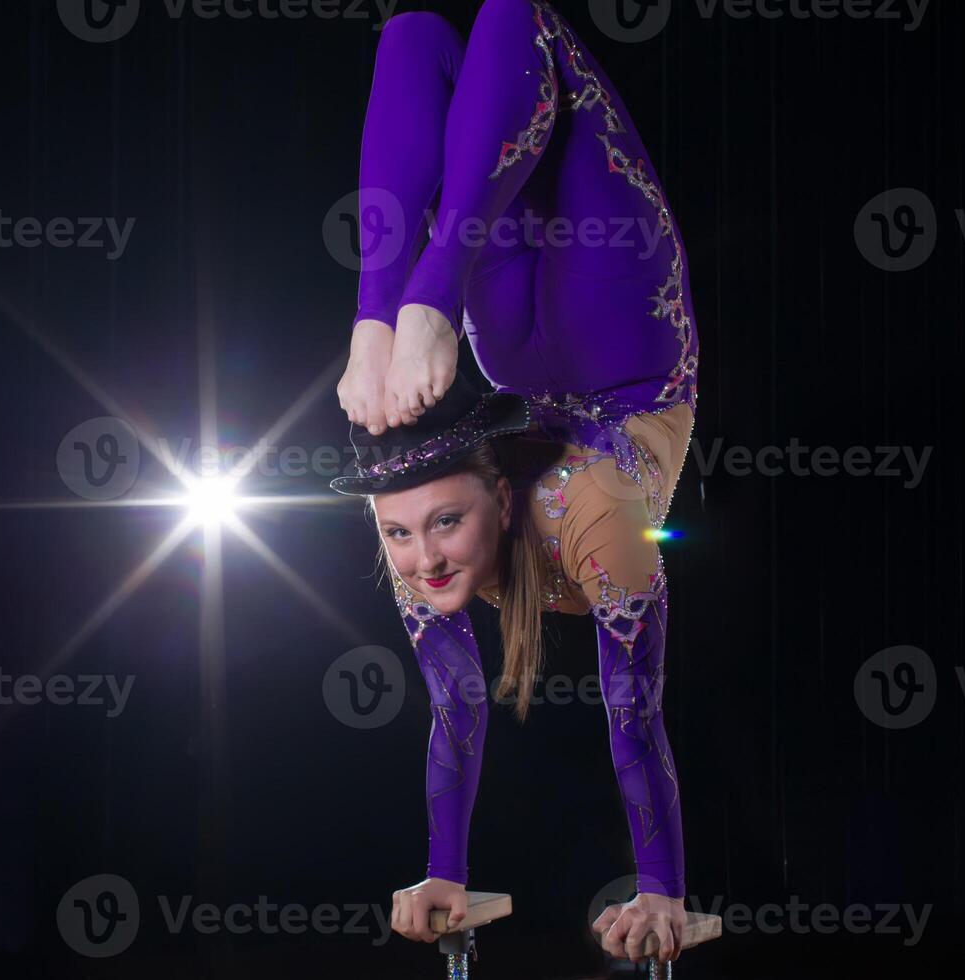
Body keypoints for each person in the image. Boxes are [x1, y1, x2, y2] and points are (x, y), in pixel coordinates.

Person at [330, 0, 701, 966]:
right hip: (626, 337)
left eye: (439, 526)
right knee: (462, 29)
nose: (422, 558)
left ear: (497, 497)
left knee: (478, 22)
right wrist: (442, 870)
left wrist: (664, 891)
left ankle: (406, 303)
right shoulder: (447, 537)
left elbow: (637, 716)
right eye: (399, 537)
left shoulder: (579, 513)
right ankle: (397, 304)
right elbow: (454, 710)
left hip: (545, 363)